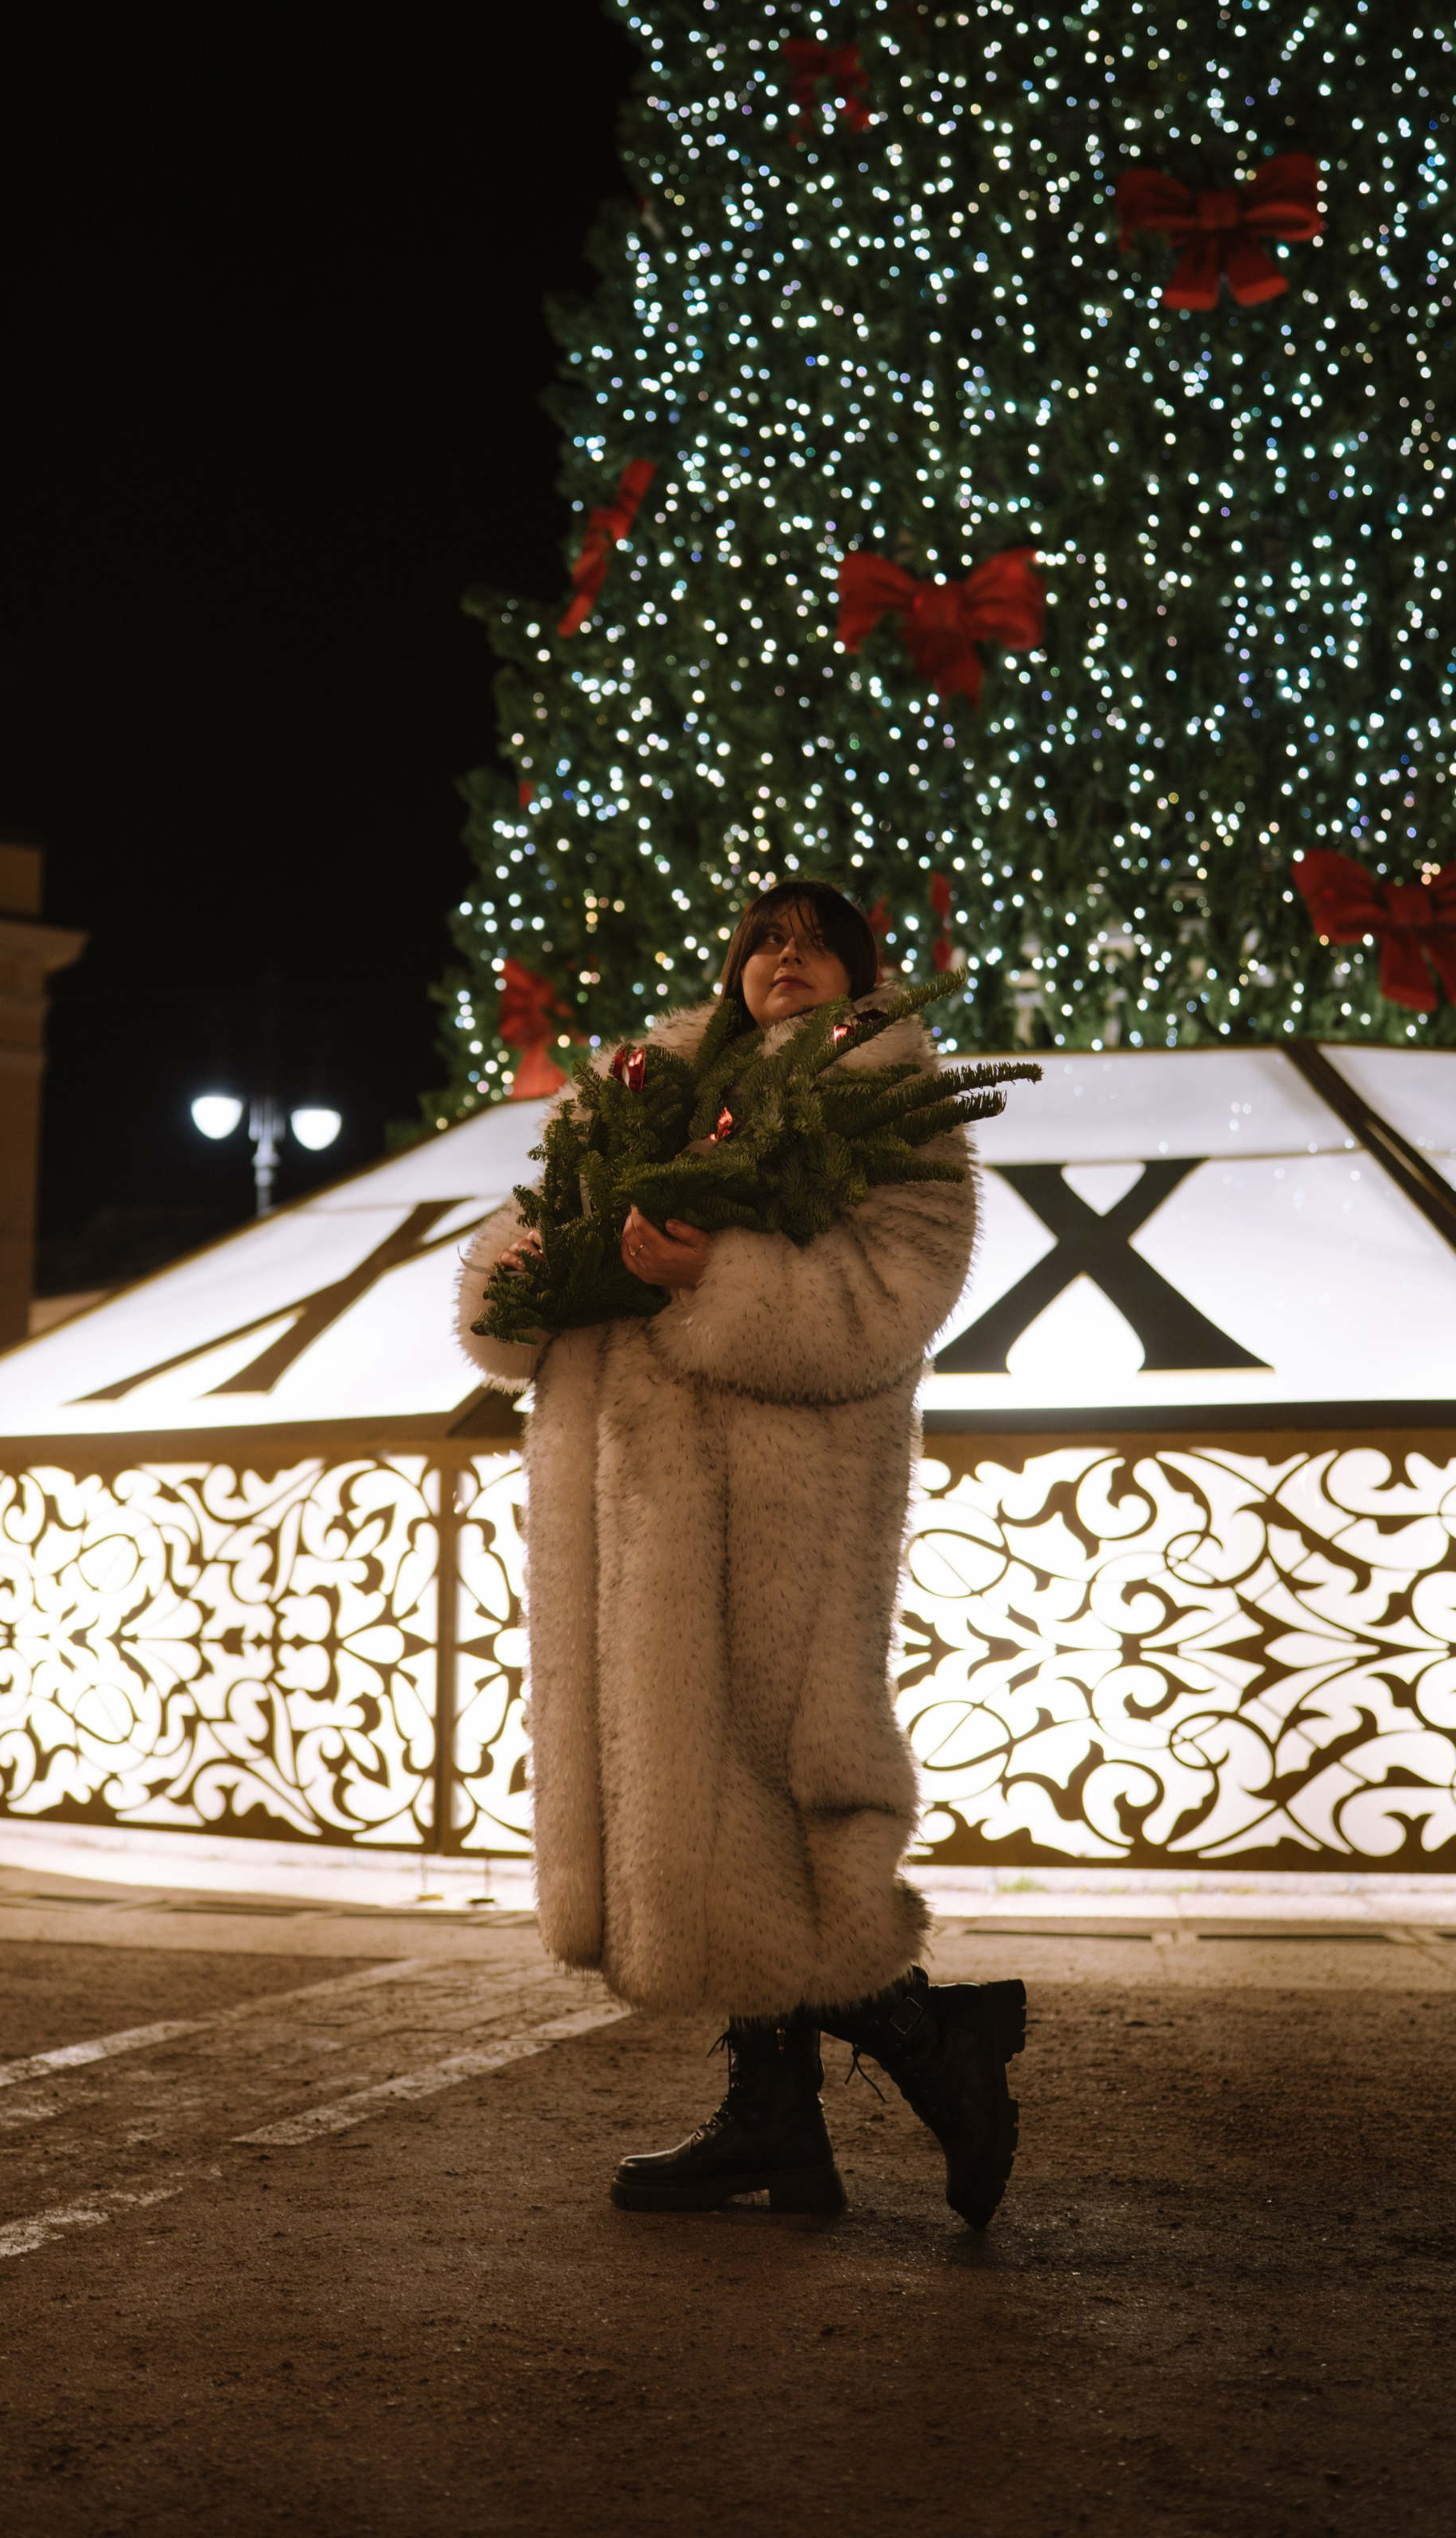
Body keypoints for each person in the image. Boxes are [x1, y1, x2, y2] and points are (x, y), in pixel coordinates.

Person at [457, 877, 1026, 2227]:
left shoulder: (896, 1107)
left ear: (862, 975)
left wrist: (718, 1279)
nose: (787, 961)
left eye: (819, 946)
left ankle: (944, 2049)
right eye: (767, 943)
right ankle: (775, 2118)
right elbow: (517, 1255)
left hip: (788, 1512)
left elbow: (897, 1297)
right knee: (700, 1808)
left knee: (781, 1794)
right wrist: (538, 1267)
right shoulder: (644, 1089)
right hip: (643, 1507)